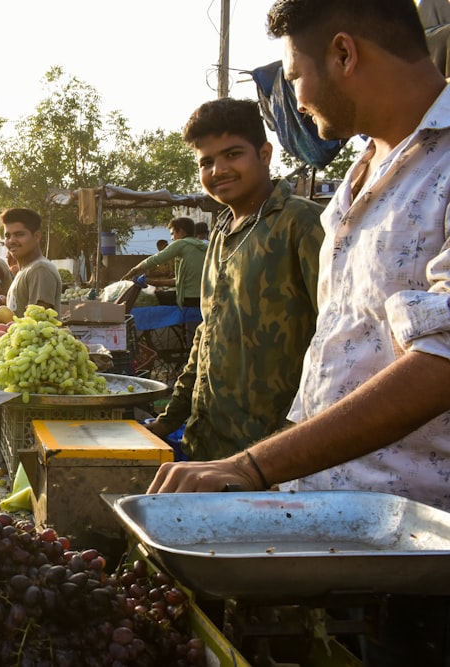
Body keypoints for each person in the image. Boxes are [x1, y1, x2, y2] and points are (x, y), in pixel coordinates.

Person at [149, 3, 449, 659]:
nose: (296, 100)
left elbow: (441, 360)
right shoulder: (361, 175)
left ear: (344, 55)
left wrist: (254, 463)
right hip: (347, 532)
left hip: (427, 549)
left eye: (293, 76)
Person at [144, 98, 323, 462]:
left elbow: (337, 344)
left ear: (265, 153)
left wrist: (295, 446)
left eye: (232, 155)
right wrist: (169, 420)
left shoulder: (302, 224)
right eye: (206, 162)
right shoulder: (222, 234)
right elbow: (205, 338)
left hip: (275, 457)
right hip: (208, 447)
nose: (219, 170)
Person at [121, 217, 208, 309]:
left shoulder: (181, 244)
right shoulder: (204, 246)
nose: (171, 238)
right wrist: (155, 283)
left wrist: (134, 270)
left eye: (172, 233)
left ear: (181, 232)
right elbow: (182, 281)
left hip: (188, 298)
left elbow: (155, 259)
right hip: (204, 296)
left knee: (153, 298)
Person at [1, 208, 62, 314]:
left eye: (19, 234)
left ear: (37, 236)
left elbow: (38, 323)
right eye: (7, 236)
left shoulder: (40, 269)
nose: (11, 241)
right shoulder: (26, 270)